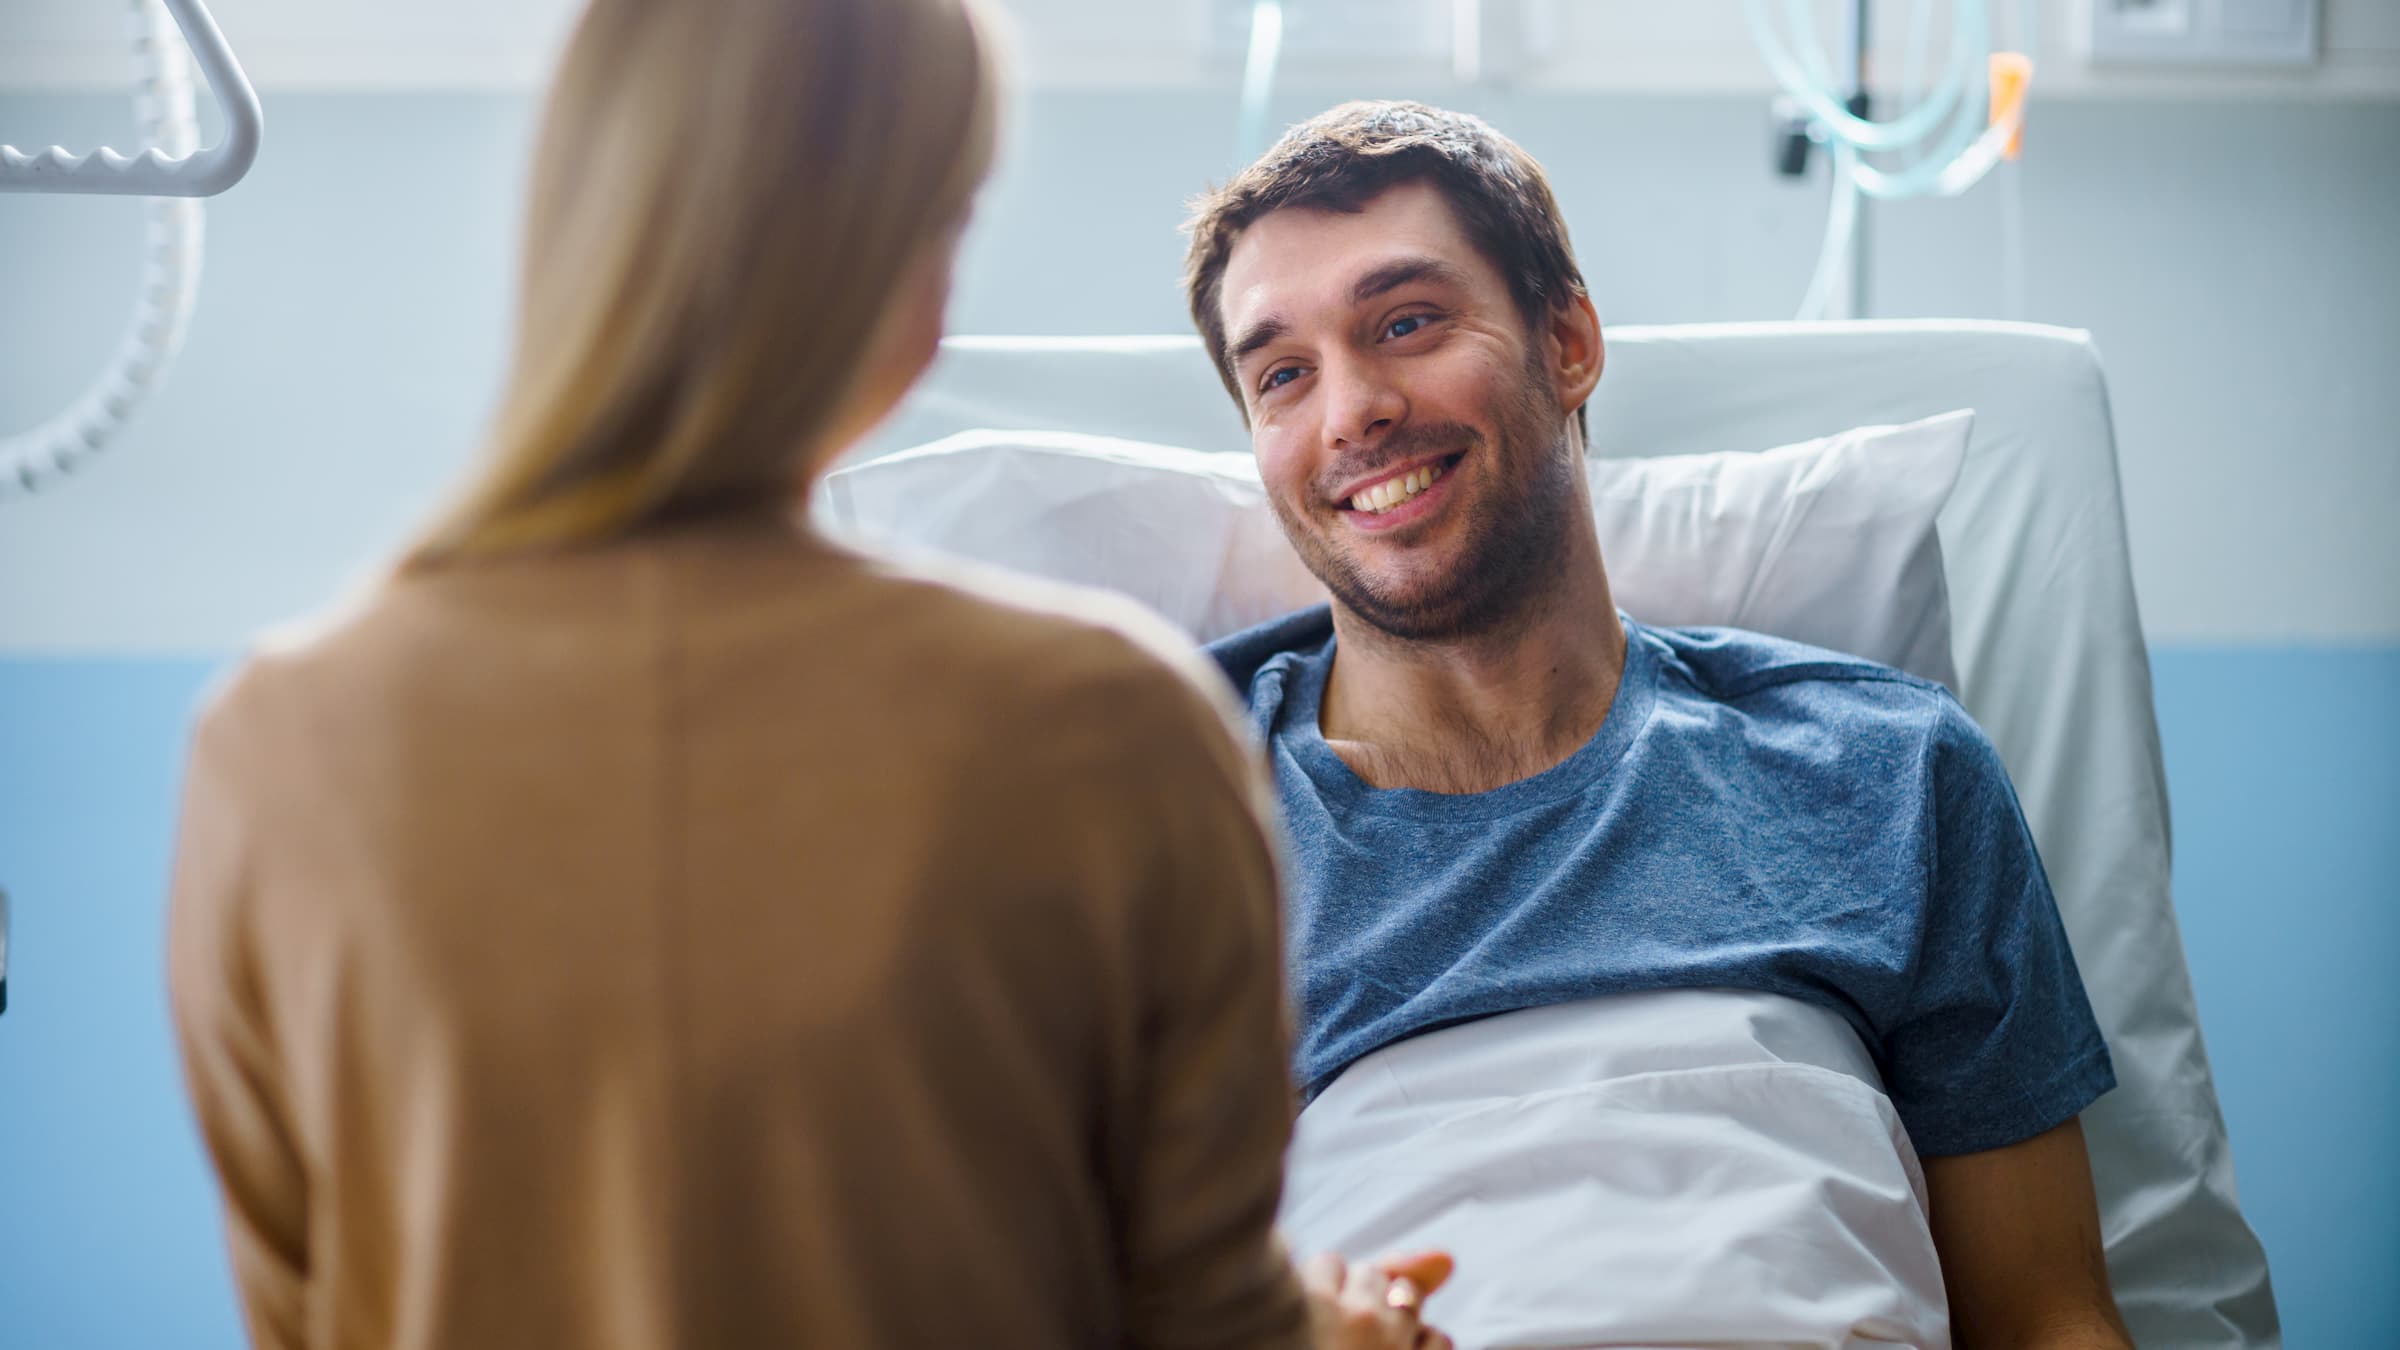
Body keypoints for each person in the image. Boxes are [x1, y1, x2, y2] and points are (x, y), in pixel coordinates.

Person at [165, 5, 1451, 1347]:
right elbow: (1204, 1320)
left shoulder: (275, 744)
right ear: (911, 260)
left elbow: (312, 1312)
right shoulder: (1106, 728)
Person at [1185, 101, 2135, 1348]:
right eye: (1283, 375)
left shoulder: (1884, 769)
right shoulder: (1180, 813)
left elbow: (2045, 1320)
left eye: (1406, 323)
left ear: (1568, 340)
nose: (1351, 411)